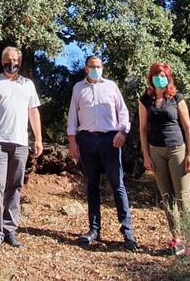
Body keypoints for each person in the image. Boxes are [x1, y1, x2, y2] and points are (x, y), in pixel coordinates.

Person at [67, 55, 137, 251]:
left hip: (110, 140)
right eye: (92, 66)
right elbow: (73, 115)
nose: (95, 69)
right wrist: (72, 140)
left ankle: (127, 231)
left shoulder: (111, 86)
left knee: (117, 183)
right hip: (87, 140)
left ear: (102, 68)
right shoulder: (78, 88)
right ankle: (94, 230)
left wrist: (123, 132)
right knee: (92, 185)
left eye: (98, 66)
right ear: (85, 68)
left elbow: (123, 111)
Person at [0, 46, 43, 251]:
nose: (11, 63)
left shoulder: (27, 85)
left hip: (21, 143)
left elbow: (34, 113)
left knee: (15, 187)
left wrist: (38, 139)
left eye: (15, 60)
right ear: (2, 61)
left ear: (20, 62)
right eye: (8, 59)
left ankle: (10, 230)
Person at [138, 62, 190, 256]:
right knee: (167, 198)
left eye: (162, 75)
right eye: (156, 75)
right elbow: (143, 129)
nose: (159, 78)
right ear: (151, 78)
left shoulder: (176, 98)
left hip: (177, 150)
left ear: (168, 77)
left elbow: (188, 128)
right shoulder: (145, 100)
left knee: (183, 198)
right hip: (156, 151)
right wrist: (146, 155)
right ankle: (176, 239)